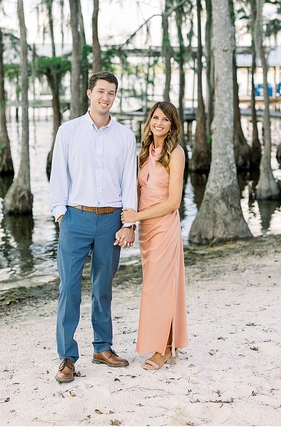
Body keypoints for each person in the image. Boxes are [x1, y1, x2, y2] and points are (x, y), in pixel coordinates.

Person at [49, 71, 138, 384]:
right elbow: (58, 175)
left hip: (111, 220)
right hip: (76, 217)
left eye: (111, 93)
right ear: (89, 93)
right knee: (69, 289)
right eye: (101, 91)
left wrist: (129, 224)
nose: (106, 97)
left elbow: (130, 183)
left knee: (103, 288)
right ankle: (67, 358)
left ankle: (102, 347)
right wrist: (61, 215)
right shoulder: (70, 131)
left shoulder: (125, 137)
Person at [121, 101, 188, 370]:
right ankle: (169, 344)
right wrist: (132, 226)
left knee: (157, 289)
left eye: (165, 119)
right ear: (149, 121)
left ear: (172, 125)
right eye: (155, 117)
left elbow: (174, 202)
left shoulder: (176, 154)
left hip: (165, 228)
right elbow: (138, 192)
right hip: (147, 231)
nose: (159, 123)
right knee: (158, 288)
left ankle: (162, 350)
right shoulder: (144, 153)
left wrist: (135, 216)